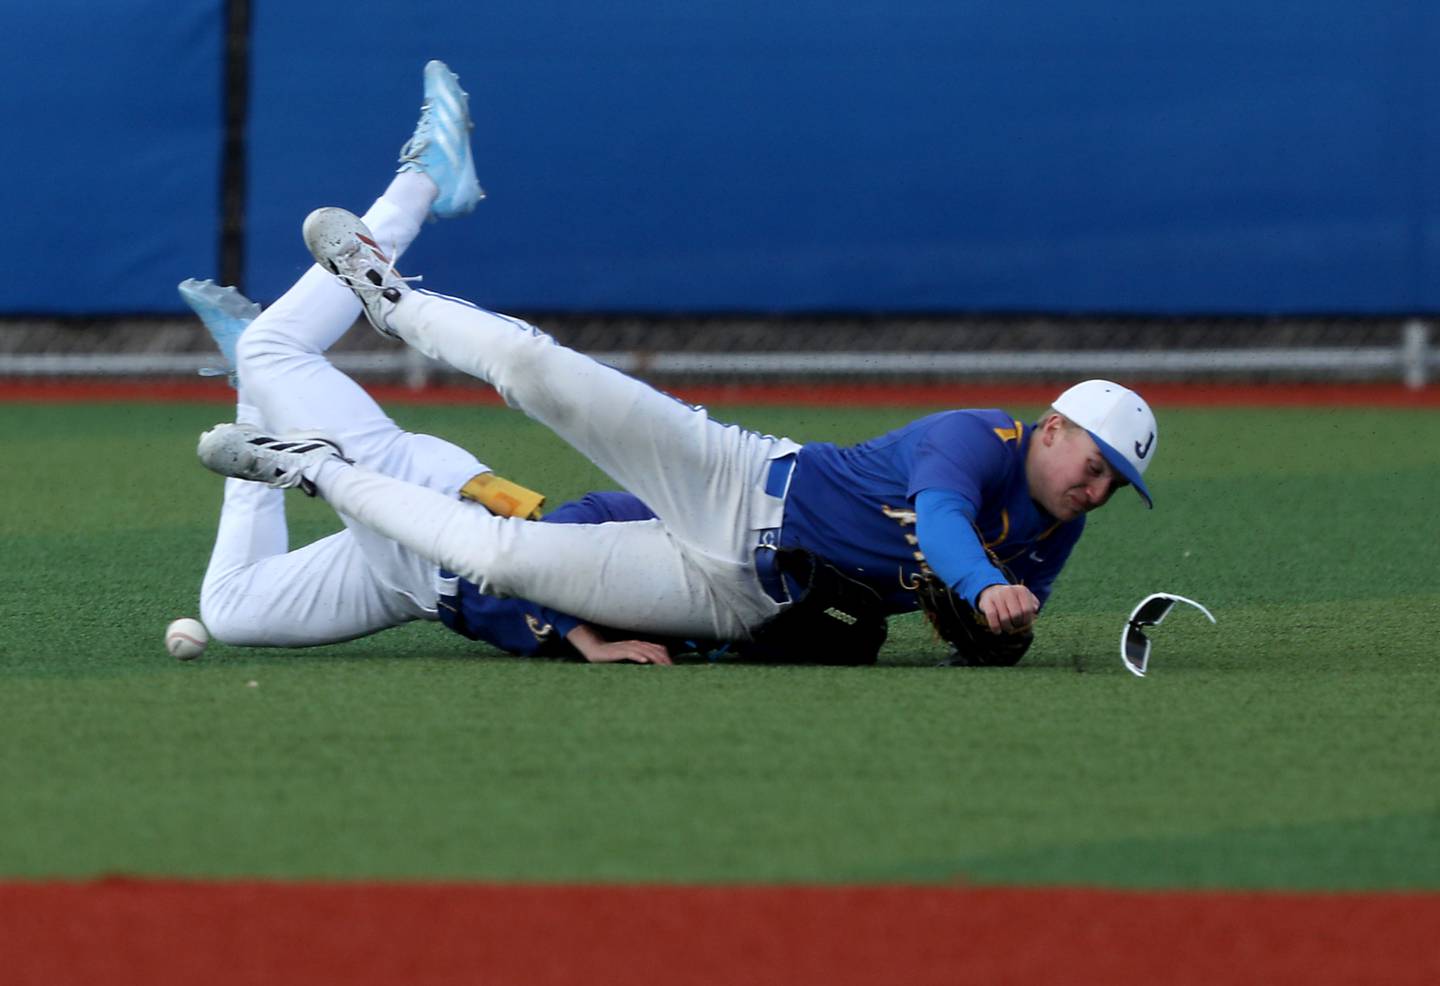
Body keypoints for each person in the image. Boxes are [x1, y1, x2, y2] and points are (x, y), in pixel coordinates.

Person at [198, 72, 1160, 668]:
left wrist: (1007, 631)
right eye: (1096, 458)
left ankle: (305, 463)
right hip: (743, 479)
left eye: (1116, 479)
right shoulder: (977, 436)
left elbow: (990, 632)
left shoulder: (1051, 528)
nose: (1099, 483)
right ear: (1054, 425)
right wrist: (983, 584)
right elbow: (946, 522)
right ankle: (386, 294)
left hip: (732, 597)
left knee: (500, 556)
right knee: (540, 368)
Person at [189, 61, 684, 665]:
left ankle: (258, 389)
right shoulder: (723, 527)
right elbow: (589, 524)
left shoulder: (754, 574)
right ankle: (423, 178)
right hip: (444, 518)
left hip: (422, 583)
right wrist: (579, 638)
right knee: (273, 349)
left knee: (232, 609)